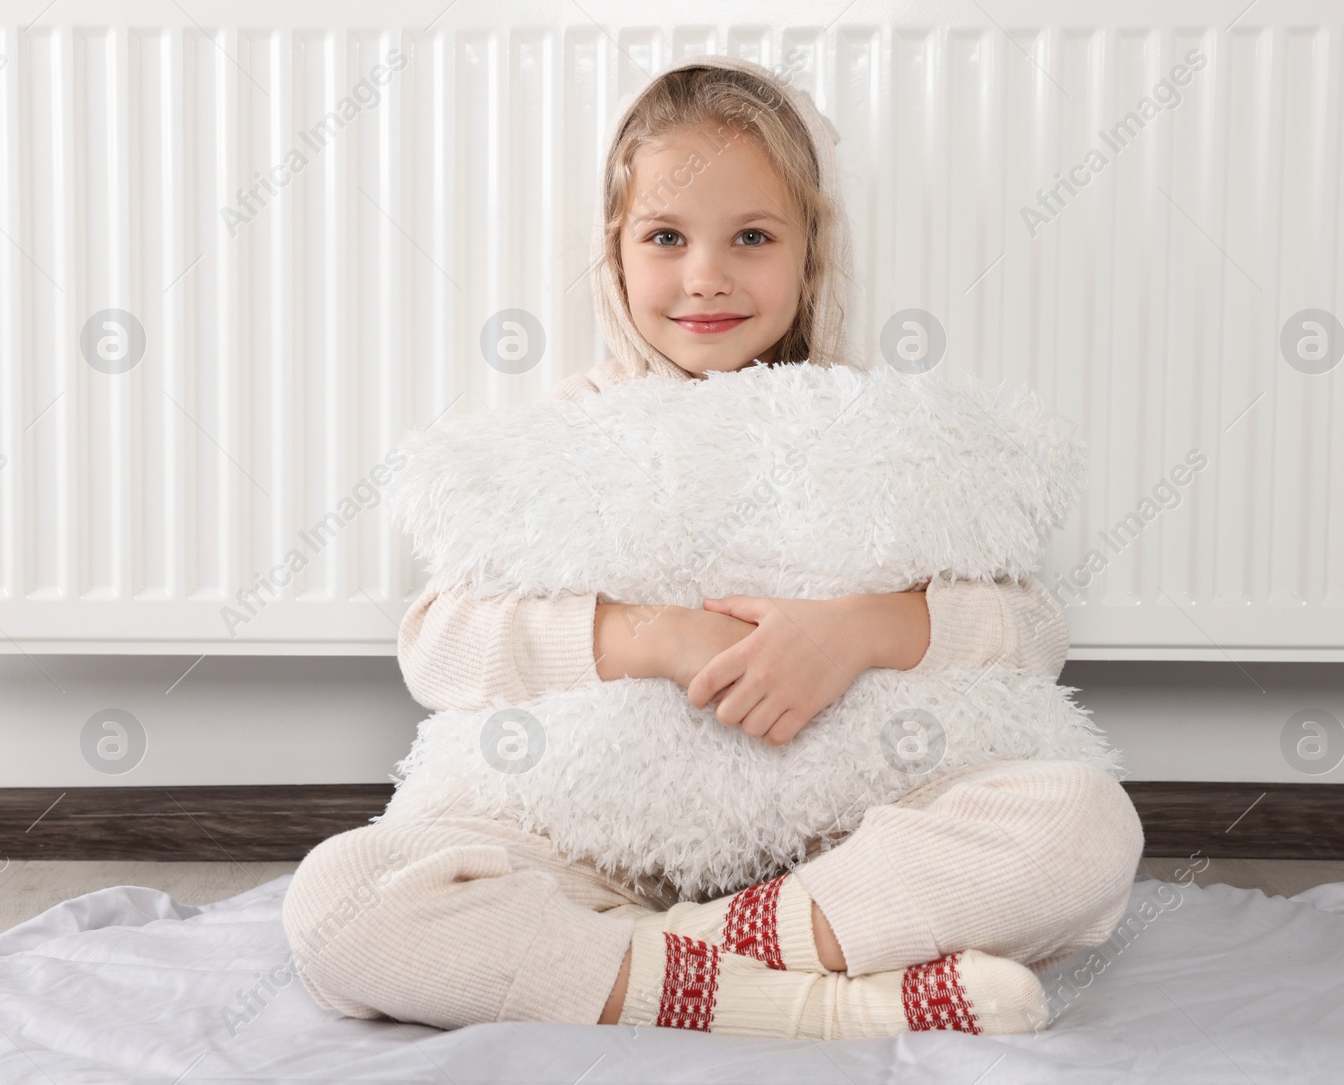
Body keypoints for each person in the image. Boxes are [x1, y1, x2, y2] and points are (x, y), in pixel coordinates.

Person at [282, 54, 1143, 1039]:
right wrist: (654, 638)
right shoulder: (567, 434)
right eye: (665, 235)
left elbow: (1030, 635)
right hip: (587, 849)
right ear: (613, 253)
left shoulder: (880, 434)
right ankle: (812, 1004)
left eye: (752, 236)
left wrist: (861, 631)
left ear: (810, 251)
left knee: (1083, 826)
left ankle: (670, 955)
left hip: (843, 839)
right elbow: (438, 649)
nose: (705, 275)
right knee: (341, 900)